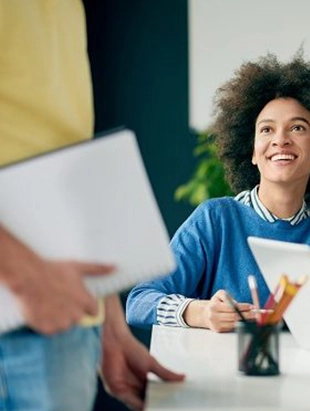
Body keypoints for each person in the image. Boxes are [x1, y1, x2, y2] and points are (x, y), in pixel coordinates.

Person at [0, 1, 184, 411]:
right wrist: (20, 271)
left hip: (62, 309)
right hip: (17, 310)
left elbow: (53, 135)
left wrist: (106, 316)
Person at [126, 54, 310, 332]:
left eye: (297, 128)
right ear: (252, 153)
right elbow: (139, 300)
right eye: (267, 129)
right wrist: (200, 312)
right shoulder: (215, 218)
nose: (280, 139)